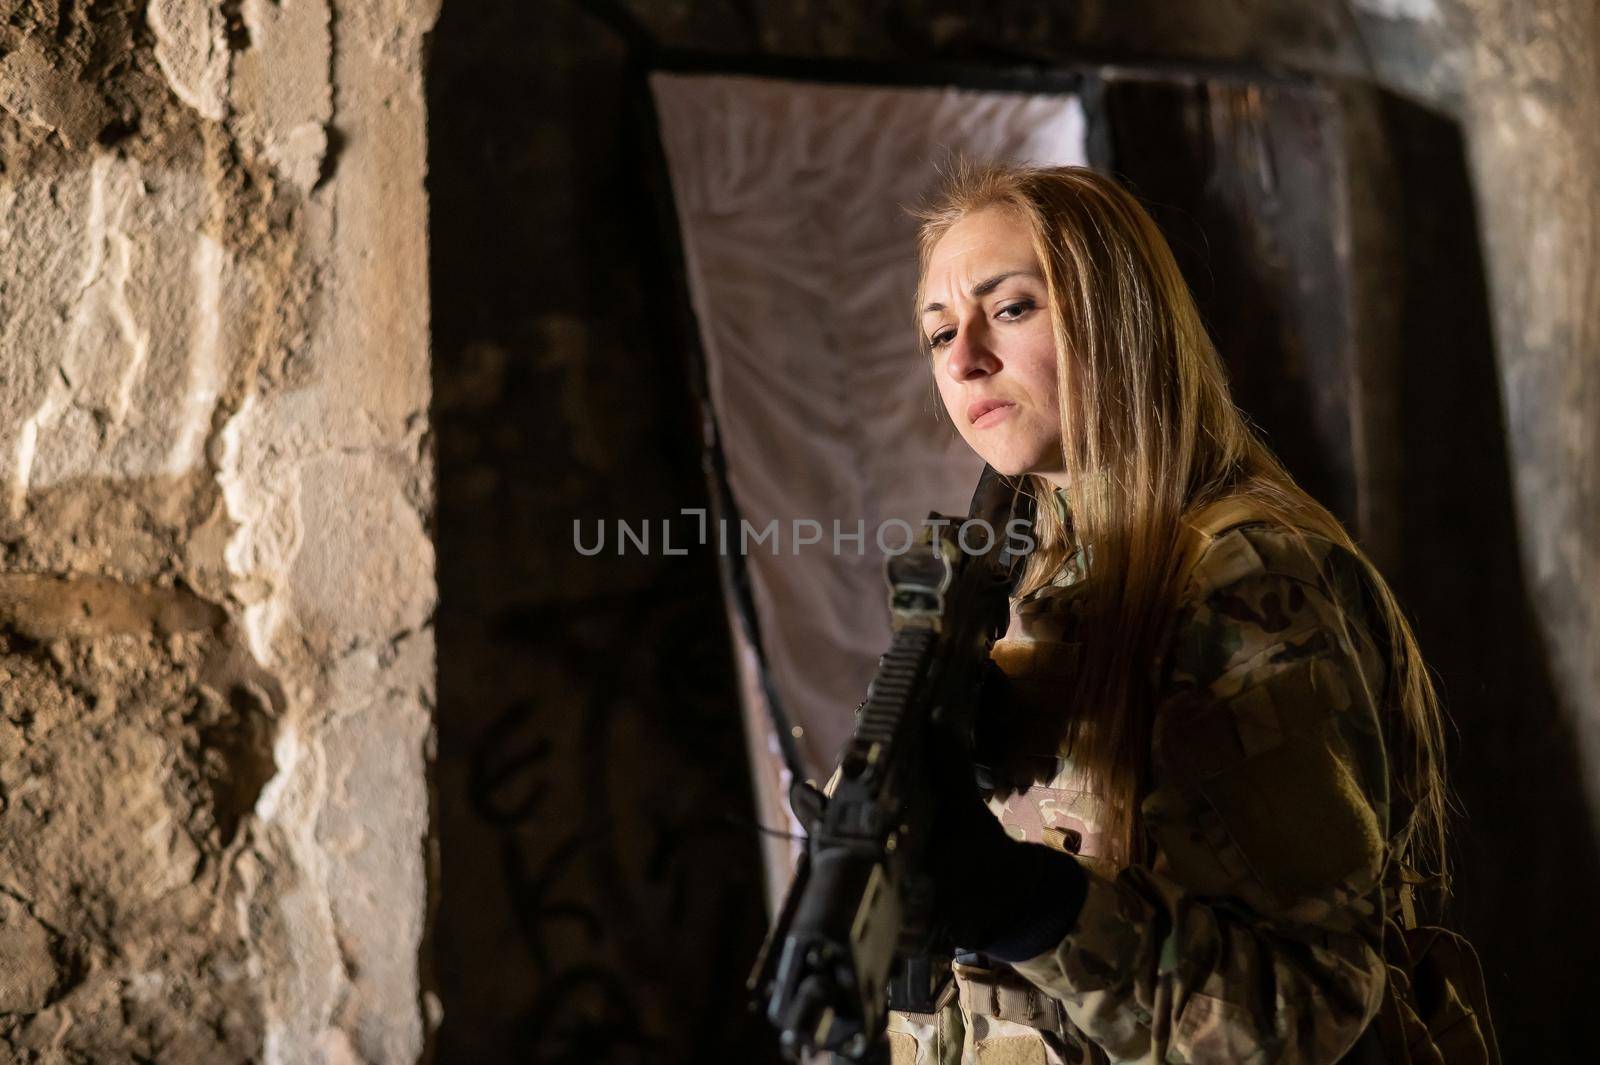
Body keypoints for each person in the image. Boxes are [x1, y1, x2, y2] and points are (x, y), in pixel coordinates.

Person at [890, 159, 1452, 1064]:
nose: (963, 358)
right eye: (938, 330)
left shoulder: (1245, 578)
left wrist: (1030, 908)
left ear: (1116, 316)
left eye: (1012, 308)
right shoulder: (1010, 579)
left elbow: (1309, 1006)